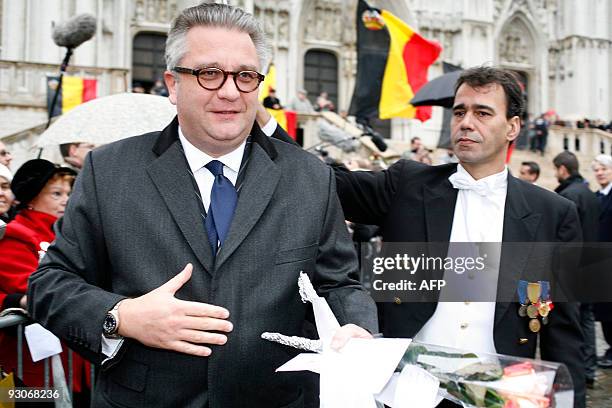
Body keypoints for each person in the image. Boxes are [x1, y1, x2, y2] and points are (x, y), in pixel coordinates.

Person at [27, 4, 377, 407]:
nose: (230, 91)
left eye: (245, 76)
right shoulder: (109, 171)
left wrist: (357, 327)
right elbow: (50, 285)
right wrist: (121, 317)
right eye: (209, 73)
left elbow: (338, 283)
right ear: (173, 85)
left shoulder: (310, 176)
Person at [332, 66, 586, 407]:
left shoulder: (556, 213)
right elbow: (323, 182)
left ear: (513, 127)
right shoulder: (406, 183)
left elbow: (567, 333)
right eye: (460, 112)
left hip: (498, 397)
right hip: (400, 393)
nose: (466, 122)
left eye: (482, 113)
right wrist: (259, 121)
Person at [0, 159, 91, 398]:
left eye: (68, 193)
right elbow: (30, 286)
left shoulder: (68, 232)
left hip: (72, 356)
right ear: (32, 198)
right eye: (56, 193)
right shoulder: (16, 234)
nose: (66, 200)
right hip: (31, 364)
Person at [552, 150, 600, 388]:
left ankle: (582, 370)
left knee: (577, 320)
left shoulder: (569, 195)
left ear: (563, 169)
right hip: (593, 259)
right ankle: (589, 367)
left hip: (576, 264)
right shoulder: (589, 193)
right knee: (587, 318)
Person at [590, 154, 612, 368]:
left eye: (604, 169)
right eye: (597, 169)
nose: (600, 173)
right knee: (604, 309)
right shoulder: (597, 197)